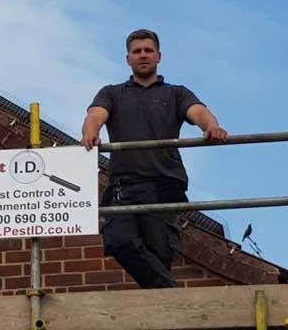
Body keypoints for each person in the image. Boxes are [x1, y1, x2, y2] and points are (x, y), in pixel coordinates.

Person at [81, 29, 228, 288]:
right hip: (124, 185)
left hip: (163, 184)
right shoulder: (113, 93)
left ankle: (163, 306)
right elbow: (95, 115)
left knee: (159, 252)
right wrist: (91, 133)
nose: (143, 55)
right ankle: (170, 296)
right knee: (118, 240)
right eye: (137, 52)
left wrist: (211, 126)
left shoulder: (176, 93)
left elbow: (199, 112)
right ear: (128, 59)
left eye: (148, 50)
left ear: (159, 56)